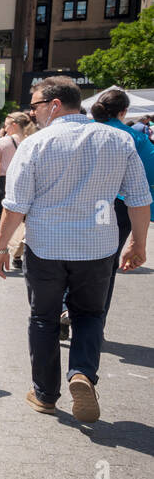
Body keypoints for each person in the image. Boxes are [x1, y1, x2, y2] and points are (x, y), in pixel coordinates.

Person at [0, 77, 150, 423]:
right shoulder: (119, 139)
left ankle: (46, 394)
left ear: (54, 105)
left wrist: (1, 246)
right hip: (97, 247)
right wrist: (139, 243)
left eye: (34, 106)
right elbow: (139, 198)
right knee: (90, 315)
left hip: (46, 247)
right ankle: (81, 372)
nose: (32, 114)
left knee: (43, 318)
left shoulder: (36, 144)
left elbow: (15, 205)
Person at [88, 88, 154, 318]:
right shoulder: (136, 137)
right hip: (118, 205)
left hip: (87, 202)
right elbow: (148, 178)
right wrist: (139, 239)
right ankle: (96, 318)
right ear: (124, 111)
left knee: (75, 255)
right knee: (107, 261)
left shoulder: (83, 131)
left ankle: (67, 306)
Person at [0, 111, 31, 236]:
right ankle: (17, 247)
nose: (5, 128)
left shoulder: (3, 142)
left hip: (4, 181)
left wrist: (4, 164)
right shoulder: (31, 141)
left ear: (14, 124)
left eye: (6, 125)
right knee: (22, 216)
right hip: (24, 181)